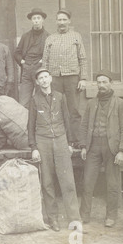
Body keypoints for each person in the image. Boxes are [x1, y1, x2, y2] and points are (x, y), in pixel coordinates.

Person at [27, 67, 81, 232]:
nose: (43, 80)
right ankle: (53, 219)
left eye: (45, 76)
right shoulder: (34, 100)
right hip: (43, 142)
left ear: (50, 79)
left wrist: (70, 143)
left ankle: (74, 219)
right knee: (47, 182)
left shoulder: (60, 97)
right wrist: (34, 147)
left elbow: (67, 119)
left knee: (68, 181)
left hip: (60, 140)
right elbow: (30, 126)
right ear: (37, 82)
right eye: (40, 78)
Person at [79, 70, 123, 228]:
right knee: (88, 182)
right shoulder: (91, 103)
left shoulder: (121, 104)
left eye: (104, 82)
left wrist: (121, 150)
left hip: (112, 148)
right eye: (99, 82)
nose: (101, 85)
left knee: (112, 183)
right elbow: (83, 126)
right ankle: (84, 215)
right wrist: (83, 146)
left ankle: (111, 216)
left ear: (111, 83)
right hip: (93, 146)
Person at [42, 9, 88, 144]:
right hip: (54, 78)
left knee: (73, 109)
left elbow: (82, 58)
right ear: (56, 21)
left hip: (72, 78)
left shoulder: (76, 36)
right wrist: (45, 79)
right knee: (56, 108)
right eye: (59, 20)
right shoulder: (50, 39)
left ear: (69, 21)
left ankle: (77, 139)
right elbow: (45, 61)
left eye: (64, 20)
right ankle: (60, 138)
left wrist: (83, 78)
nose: (62, 22)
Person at [14, 8, 50, 108]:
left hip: (40, 70)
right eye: (34, 18)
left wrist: (43, 62)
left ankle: (40, 123)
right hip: (26, 70)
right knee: (23, 102)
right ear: (31, 20)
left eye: (38, 18)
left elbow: (51, 54)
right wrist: (22, 62)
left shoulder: (48, 37)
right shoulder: (25, 36)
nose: (36, 20)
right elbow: (17, 53)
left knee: (41, 101)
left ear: (43, 20)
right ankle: (24, 123)